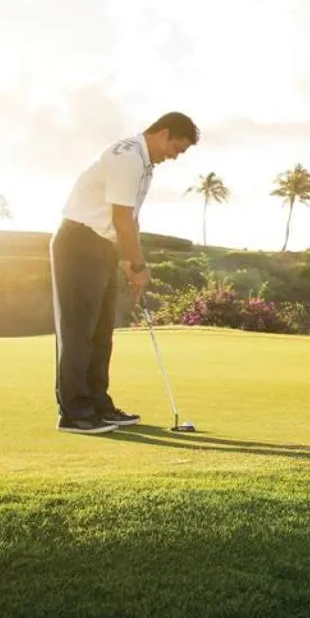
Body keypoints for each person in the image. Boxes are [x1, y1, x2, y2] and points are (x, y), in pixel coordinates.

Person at [51, 112, 198, 433]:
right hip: (79, 241)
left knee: (101, 332)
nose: (174, 156)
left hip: (102, 245)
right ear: (163, 133)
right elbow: (120, 219)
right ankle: (74, 413)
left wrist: (128, 262)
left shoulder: (145, 165)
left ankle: (98, 405)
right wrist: (139, 266)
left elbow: (130, 220)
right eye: (177, 148)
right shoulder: (128, 157)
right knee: (79, 331)